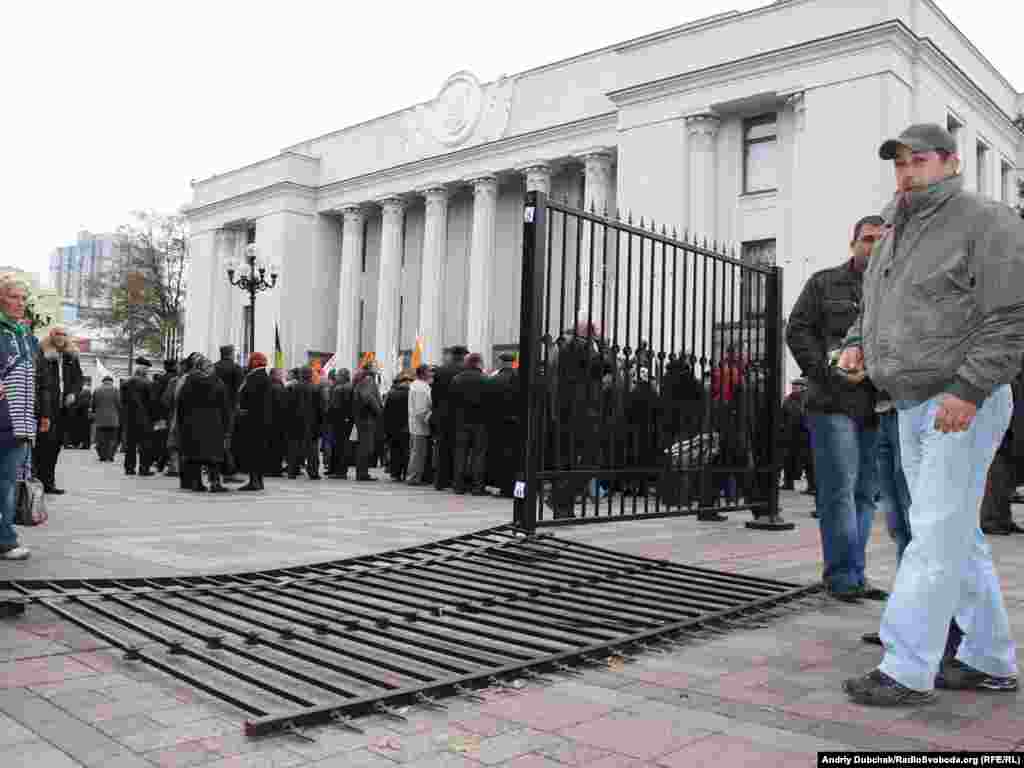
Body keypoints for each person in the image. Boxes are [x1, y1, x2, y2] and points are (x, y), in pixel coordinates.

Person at [840, 123, 1024, 705]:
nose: (906, 171)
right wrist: (855, 343)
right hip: (909, 401)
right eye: (898, 163)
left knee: (935, 533)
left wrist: (969, 388)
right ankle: (989, 657)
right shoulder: (894, 226)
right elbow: (876, 302)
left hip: (958, 401)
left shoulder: (986, 220)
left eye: (918, 161)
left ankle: (906, 667)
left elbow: (1012, 313)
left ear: (948, 163)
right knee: (951, 533)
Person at [786, 214, 886, 602]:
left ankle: (854, 573)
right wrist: (823, 371)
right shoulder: (824, 283)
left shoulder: (894, 292)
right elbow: (797, 329)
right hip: (831, 403)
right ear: (853, 243)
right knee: (839, 492)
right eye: (867, 239)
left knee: (865, 495)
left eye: (881, 240)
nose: (873, 246)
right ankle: (843, 576)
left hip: (875, 405)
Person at [0, 275, 50, 562]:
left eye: (22, 298)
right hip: (3, 418)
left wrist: (42, 415)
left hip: (21, 423)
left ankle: (5, 538)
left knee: (9, 481)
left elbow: (40, 379)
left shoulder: (28, 337)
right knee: (5, 483)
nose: (20, 303)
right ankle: (5, 541)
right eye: (14, 297)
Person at [33, 326, 83, 494]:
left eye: (63, 334)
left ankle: (49, 483)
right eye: (57, 334)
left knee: (55, 446)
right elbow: (39, 382)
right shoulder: (43, 354)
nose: (60, 337)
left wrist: (73, 394)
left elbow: (78, 379)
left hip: (63, 408)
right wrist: (40, 409)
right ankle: (38, 481)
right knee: (42, 446)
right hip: (47, 407)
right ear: (51, 336)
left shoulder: (71, 356)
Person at [177, 354, 231, 493]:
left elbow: (181, 404)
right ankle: (215, 483)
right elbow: (224, 406)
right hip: (213, 423)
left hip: (192, 423)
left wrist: (182, 422)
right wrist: (226, 426)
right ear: (207, 368)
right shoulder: (217, 382)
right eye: (210, 366)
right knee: (214, 456)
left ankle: (197, 483)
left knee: (196, 455)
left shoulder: (189, 382)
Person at [451, 353, 490, 495]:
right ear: (479, 363)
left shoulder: (456, 379)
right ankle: (477, 486)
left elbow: (452, 403)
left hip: (461, 422)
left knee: (460, 454)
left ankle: (458, 485)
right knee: (478, 455)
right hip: (480, 422)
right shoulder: (486, 379)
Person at [431, 345, 467, 490]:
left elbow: (434, 395)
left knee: (442, 448)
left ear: (451, 355)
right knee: (458, 450)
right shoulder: (464, 371)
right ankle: (455, 480)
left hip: (442, 415)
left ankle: (440, 481)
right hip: (459, 415)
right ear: (463, 356)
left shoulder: (440, 370)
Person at [235, 352, 272, 491]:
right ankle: (258, 480)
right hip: (260, 420)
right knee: (259, 451)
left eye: (250, 360)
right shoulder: (262, 376)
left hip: (253, 421)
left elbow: (251, 398)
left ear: (255, 362)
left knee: (253, 451)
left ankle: (254, 481)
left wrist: (243, 409)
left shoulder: (255, 377)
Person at [213, 345, 245, 481]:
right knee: (228, 439)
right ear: (231, 354)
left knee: (216, 438)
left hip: (215, 408)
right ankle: (229, 470)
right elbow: (240, 389)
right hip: (230, 408)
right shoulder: (236, 368)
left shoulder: (214, 367)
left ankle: (216, 468)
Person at [285, 366, 321, 480]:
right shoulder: (316, 388)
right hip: (312, 422)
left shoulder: (293, 387)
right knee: (312, 450)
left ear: (300, 375)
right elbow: (320, 408)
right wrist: (320, 423)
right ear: (310, 375)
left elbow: (288, 406)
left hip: (295, 422)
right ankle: (313, 472)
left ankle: (292, 471)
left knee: (294, 448)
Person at [120, 358, 154, 476]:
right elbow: (152, 402)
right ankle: (144, 468)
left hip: (130, 418)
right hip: (145, 417)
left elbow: (123, 401)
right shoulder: (148, 383)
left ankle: (129, 468)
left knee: (130, 444)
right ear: (144, 370)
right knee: (145, 444)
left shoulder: (126, 382)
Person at [352, 361, 383, 481]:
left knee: (363, 445)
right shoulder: (369, 379)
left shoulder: (361, 378)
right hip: (367, 417)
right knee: (366, 446)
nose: (377, 368)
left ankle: (362, 472)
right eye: (376, 366)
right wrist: (378, 410)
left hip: (361, 416)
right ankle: (362, 473)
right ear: (370, 368)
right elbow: (368, 397)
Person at [407, 364, 433, 485]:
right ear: (423, 373)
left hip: (416, 425)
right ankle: (413, 478)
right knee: (418, 454)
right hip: (420, 426)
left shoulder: (417, 385)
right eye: (429, 371)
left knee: (416, 452)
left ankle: (414, 476)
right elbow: (421, 410)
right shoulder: (421, 388)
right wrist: (430, 422)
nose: (431, 373)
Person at [382, 372, 411, 481]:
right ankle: (405, 472)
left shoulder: (391, 393)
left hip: (392, 427)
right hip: (405, 427)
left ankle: (395, 474)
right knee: (405, 450)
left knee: (394, 451)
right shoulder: (409, 393)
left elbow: (385, 411)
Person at [327, 369, 354, 479]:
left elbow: (340, 406)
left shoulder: (344, 388)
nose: (336, 377)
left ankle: (340, 471)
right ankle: (335, 469)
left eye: (338, 375)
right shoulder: (342, 387)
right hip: (341, 420)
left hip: (341, 420)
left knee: (341, 446)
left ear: (344, 376)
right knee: (338, 445)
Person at [91, 376, 120, 462]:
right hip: (113, 419)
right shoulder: (116, 390)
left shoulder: (97, 390)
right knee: (112, 439)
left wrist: (95, 412)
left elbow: (93, 404)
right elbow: (119, 404)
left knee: (101, 439)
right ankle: (110, 456)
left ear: (103, 382)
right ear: (111, 382)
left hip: (100, 419)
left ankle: (102, 456)